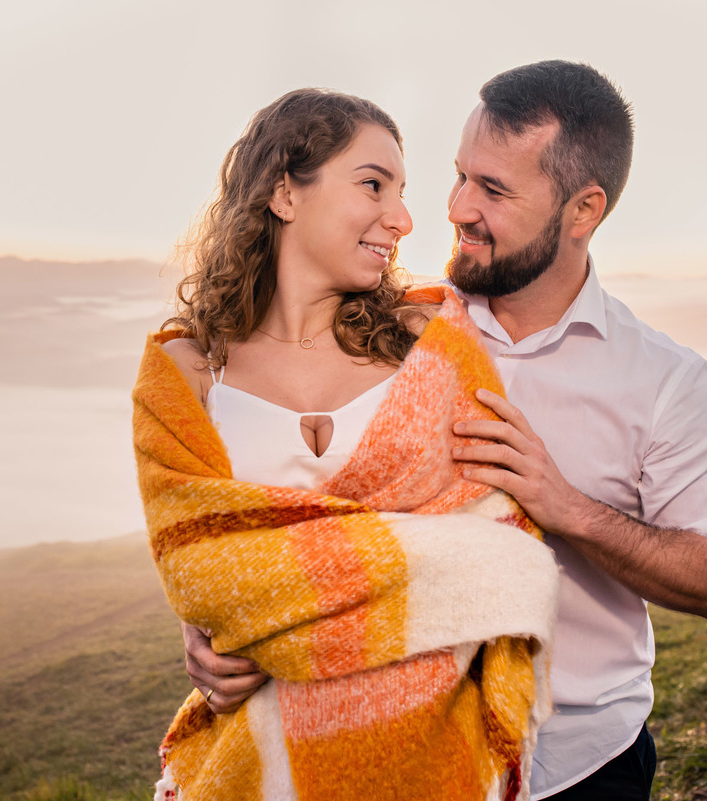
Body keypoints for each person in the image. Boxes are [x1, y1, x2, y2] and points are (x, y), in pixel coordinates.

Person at [184, 63, 707, 801]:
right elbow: (290, 508)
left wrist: (567, 507)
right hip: (408, 759)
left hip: (584, 764)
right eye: (459, 175)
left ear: (583, 211)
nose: (456, 207)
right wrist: (213, 632)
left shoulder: (664, 380)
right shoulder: (388, 324)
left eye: (493, 190)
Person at [133, 88, 559, 801]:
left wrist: (275, 610)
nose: (403, 218)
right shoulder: (187, 370)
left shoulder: (431, 344)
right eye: (373, 185)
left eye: (401, 191)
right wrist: (220, 614)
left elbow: (506, 555)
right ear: (283, 193)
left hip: (427, 761)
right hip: (255, 764)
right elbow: (197, 562)